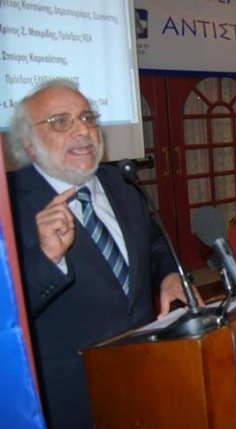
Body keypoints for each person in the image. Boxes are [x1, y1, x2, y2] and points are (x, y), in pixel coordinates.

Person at [6, 79, 194, 428]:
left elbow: (154, 243)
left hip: (148, 366)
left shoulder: (121, 181)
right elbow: (8, 314)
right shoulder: (9, 206)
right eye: (60, 122)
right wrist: (48, 258)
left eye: (87, 118)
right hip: (73, 393)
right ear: (29, 144)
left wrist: (169, 274)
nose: (82, 130)